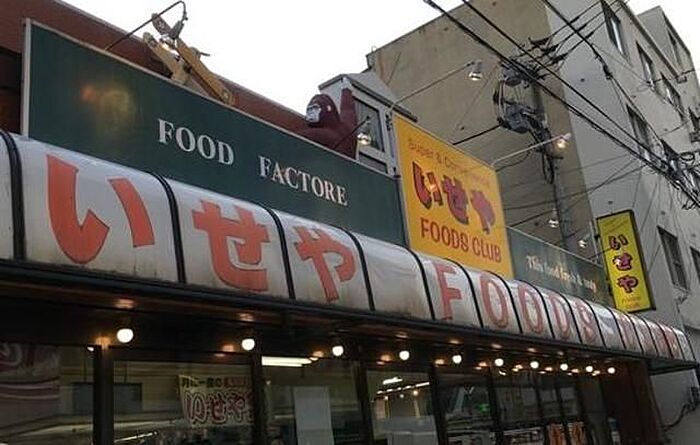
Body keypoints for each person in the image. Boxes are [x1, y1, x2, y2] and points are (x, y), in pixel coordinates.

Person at [297, 78, 358, 159]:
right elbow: (348, 110)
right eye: (309, 109)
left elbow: (298, 137)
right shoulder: (347, 127)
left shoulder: (326, 134)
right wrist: (347, 90)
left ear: (327, 109)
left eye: (315, 108)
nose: (311, 112)